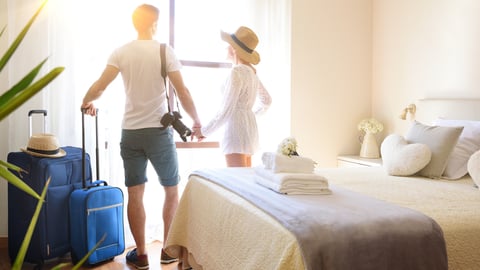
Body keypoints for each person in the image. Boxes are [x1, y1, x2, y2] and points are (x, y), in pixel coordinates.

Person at [81, 4, 204, 269]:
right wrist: (196, 121)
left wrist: (85, 101)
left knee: (135, 194)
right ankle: (168, 252)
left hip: (131, 133)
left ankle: (142, 255)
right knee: (171, 191)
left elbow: (100, 85)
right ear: (155, 24)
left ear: (135, 24)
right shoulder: (164, 51)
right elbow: (182, 91)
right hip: (159, 134)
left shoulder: (121, 52)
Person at [201, 26, 272, 167]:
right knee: (244, 181)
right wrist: (248, 113)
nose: (226, 48)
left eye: (228, 45)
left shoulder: (237, 72)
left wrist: (204, 131)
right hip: (249, 130)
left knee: (235, 181)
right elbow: (267, 101)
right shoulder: (252, 72)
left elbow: (226, 109)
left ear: (234, 49)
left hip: (235, 131)